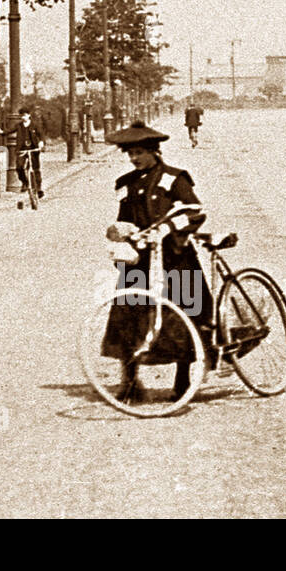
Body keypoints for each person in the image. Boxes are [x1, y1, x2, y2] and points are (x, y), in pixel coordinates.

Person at [101, 122, 212, 402]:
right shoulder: (126, 185)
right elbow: (124, 218)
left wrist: (169, 229)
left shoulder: (174, 179)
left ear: (154, 151)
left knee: (183, 315)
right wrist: (119, 230)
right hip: (139, 262)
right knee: (128, 317)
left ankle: (183, 380)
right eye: (130, 154)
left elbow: (196, 212)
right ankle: (129, 381)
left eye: (139, 152)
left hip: (175, 258)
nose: (134, 159)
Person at [2, 108, 44, 199]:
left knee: (35, 169)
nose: (23, 117)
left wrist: (41, 142)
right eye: (21, 116)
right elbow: (10, 130)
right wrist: (2, 132)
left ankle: (39, 188)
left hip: (33, 149)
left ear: (29, 115)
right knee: (19, 167)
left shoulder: (34, 125)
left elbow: (40, 134)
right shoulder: (19, 125)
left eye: (25, 115)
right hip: (21, 150)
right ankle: (25, 182)